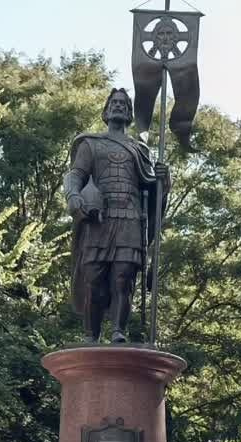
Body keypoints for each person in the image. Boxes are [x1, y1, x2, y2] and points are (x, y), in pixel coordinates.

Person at [62, 88, 170, 343]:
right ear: (106, 110)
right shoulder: (91, 144)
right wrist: (73, 196)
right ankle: (91, 335)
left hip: (130, 219)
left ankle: (118, 331)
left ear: (130, 113)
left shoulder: (140, 150)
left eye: (123, 104)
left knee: (123, 279)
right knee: (93, 280)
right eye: (115, 103)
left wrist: (163, 180)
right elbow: (75, 175)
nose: (119, 106)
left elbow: (152, 187)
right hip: (99, 219)